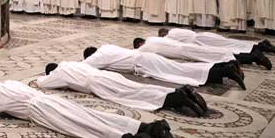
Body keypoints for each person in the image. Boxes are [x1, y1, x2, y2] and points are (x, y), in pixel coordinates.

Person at [0, 80, 175, 138]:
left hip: (40, 109)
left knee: (82, 126)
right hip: (51, 99)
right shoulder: (10, 83)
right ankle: (147, 127)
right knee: (92, 115)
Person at [40, 61, 208, 117]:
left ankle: (177, 98)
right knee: (137, 87)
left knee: (133, 95)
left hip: (98, 84)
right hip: (107, 76)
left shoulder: (58, 72)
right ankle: (177, 92)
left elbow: (43, 83)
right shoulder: (72, 64)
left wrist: (45, 76)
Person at [83, 44, 245, 89]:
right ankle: (223, 68)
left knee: (180, 73)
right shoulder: (107, 47)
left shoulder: (99, 55)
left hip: (143, 63)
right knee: (180, 69)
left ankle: (225, 71)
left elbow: (83, 66)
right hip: (146, 58)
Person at [133, 36, 270, 69]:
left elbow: (137, 53)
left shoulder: (144, 47)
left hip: (184, 52)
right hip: (184, 47)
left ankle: (253, 57)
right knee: (215, 52)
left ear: (139, 45)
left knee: (215, 56)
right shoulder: (153, 38)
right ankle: (252, 56)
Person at [158, 27, 275, 56]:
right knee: (230, 42)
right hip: (203, 36)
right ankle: (260, 45)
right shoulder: (175, 30)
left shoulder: (170, 35)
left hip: (201, 41)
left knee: (230, 46)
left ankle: (261, 46)